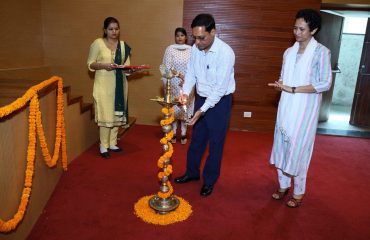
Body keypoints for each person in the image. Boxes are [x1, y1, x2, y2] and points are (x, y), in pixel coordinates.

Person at [268, 9, 332, 207]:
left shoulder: (321, 52)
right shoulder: (289, 51)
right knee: (282, 146)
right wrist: (281, 83)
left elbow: (325, 83)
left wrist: (293, 88)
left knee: (299, 149)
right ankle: (283, 185)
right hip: (286, 105)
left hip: (305, 109)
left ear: (313, 30)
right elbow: (285, 76)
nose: (297, 32)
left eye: (302, 29)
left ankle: (299, 191)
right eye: (295, 28)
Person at [174, 14, 236, 197]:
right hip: (201, 98)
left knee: (216, 143)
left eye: (202, 37)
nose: (198, 42)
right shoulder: (195, 49)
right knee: (197, 140)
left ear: (213, 32)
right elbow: (191, 73)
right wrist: (185, 93)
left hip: (220, 102)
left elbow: (219, 88)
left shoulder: (226, 53)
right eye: (195, 37)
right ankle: (192, 173)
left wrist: (201, 111)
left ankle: (209, 181)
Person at [87, 17, 132, 159]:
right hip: (103, 85)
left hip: (120, 85)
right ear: (105, 30)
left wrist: (132, 70)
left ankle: (113, 143)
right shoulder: (98, 44)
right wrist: (103, 66)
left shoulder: (123, 46)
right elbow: (90, 63)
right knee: (106, 115)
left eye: (117, 29)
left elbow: (127, 67)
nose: (114, 31)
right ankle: (103, 145)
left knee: (116, 114)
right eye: (111, 29)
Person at [161, 27, 194, 144]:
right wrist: (178, 76)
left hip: (187, 83)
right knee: (175, 108)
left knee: (185, 108)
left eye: (182, 35)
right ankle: (174, 132)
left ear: (186, 37)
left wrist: (186, 79)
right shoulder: (170, 49)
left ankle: (184, 133)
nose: (179, 38)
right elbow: (167, 66)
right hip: (174, 83)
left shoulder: (191, 49)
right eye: (177, 35)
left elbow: (193, 67)